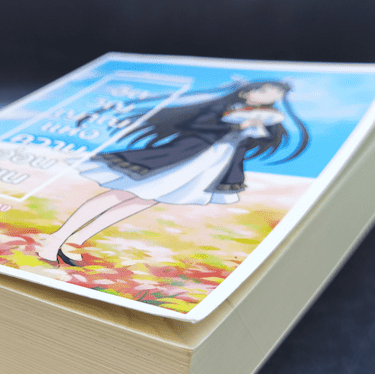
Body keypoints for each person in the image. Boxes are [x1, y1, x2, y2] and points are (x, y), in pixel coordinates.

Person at [36, 80, 308, 265]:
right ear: (248, 91)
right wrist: (237, 126)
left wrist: (258, 128)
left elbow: (257, 141)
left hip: (208, 167)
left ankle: (76, 240)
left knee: (147, 199)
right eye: (265, 92)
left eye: (275, 96)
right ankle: (56, 238)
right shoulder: (222, 106)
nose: (269, 98)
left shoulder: (268, 117)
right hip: (179, 157)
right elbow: (197, 125)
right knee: (124, 192)